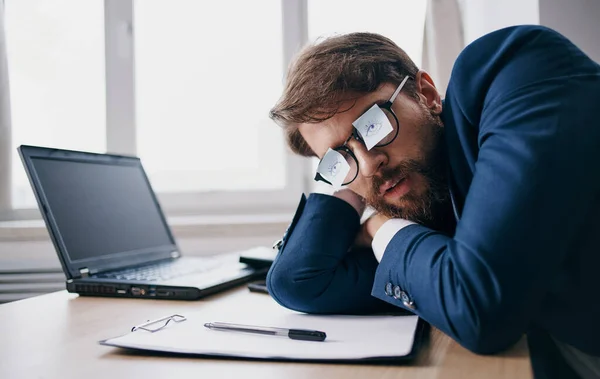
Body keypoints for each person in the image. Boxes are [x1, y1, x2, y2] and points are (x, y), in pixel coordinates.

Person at [266, 25, 600, 378]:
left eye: (373, 125)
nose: (369, 163)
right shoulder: (426, 198)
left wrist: (383, 228)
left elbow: (481, 310)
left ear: (425, 93)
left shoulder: (510, 69)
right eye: (338, 158)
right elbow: (298, 281)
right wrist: (352, 173)